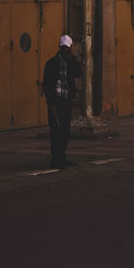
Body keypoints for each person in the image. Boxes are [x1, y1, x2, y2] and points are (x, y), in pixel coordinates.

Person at [42, 34, 83, 169]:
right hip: (56, 101)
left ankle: (62, 157)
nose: (65, 50)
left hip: (66, 100)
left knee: (65, 130)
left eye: (67, 48)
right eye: (63, 48)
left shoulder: (70, 62)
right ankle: (56, 159)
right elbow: (46, 84)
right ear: (60, 48)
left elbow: (79, 73)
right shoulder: (52, 63)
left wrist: (72, 59)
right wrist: (50, 101)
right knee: (56, 131)